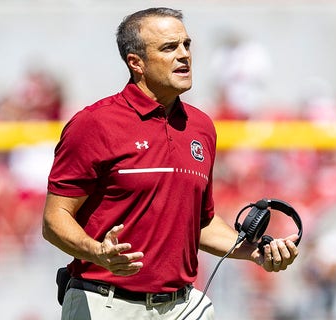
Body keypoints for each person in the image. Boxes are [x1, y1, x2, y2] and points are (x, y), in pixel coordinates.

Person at [42, 7, 299, 320]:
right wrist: (96, 251)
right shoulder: (94, 124)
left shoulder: (201, 127)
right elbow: (55, 219)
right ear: (136, 63)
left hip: (182, 306)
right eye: (169, 48)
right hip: (106, 304)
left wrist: (256, 252)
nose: (184, 55)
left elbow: (201, 224)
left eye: (186, 45)